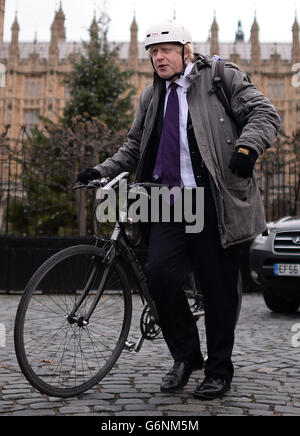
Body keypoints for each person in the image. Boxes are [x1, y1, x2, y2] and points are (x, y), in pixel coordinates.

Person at [77, 20, 280, 400]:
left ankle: (219, 370)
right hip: (167, 201)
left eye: (165, 50)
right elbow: (134, 147)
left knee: (218, 288)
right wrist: (101, 170)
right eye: (153, 52)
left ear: (186, 50)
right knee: (160, 277)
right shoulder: (151, 96)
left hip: (211, 198)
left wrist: (247, 148)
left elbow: (265, 114)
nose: (158, 58)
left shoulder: (221, 77)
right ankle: (187, 356)